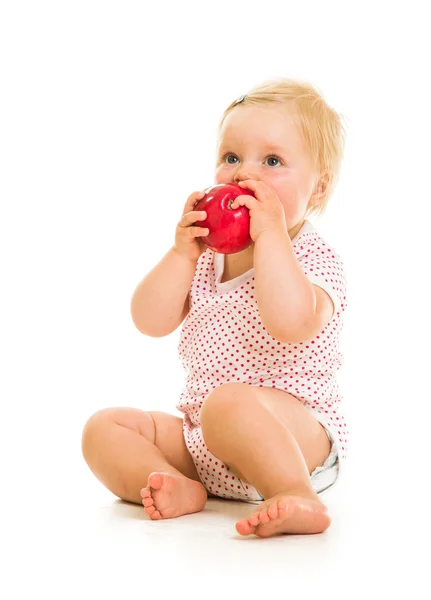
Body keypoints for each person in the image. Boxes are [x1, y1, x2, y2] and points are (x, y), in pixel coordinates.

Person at [81, 77, 349, 537]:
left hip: (294, 437)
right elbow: (149, 320)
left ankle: (297, 494)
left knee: (227, 405)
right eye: (231, 158)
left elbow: (291, 322)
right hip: (207, 442)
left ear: (318, 190)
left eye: (272, 161)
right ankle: (180, 486)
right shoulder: (208, 254)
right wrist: (182, 254)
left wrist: (269, 238)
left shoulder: (314, 258)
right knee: (104, 428)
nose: (245, 173)